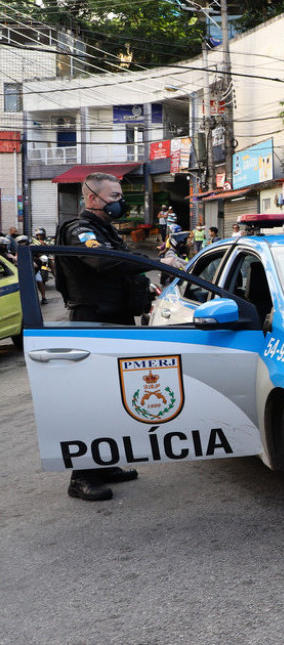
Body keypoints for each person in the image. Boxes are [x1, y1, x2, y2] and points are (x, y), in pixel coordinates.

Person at [55, 172, 150, 501]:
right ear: (92, 198)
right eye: (113, 196)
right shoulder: (79, 230)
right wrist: (149, 262)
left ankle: (102, 463)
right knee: (93, 400)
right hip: (93, 321)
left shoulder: (105, 230)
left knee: (114, 397)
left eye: (120, 195)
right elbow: (100, 260)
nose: (119, 202)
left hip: (116, 320)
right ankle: (81, 477)